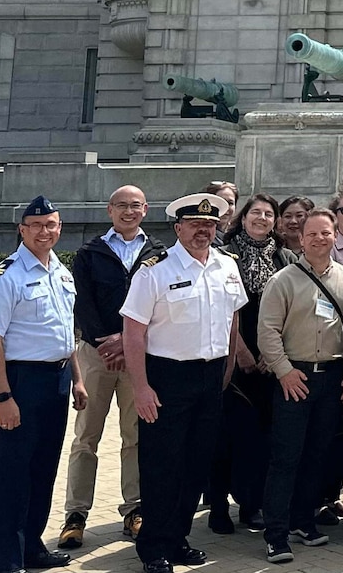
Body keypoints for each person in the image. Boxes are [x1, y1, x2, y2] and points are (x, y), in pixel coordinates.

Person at [121, 193, 249, 573]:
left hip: (210, 377)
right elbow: (132, 333)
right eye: (195, 225)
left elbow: (233, 319)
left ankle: (177, 539)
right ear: (179, 228)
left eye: (209, 226)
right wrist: (141, 388)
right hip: (166, 378)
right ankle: (154, 548)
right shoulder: (155, 269)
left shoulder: (227, 265)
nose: (203, 232)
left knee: (196, 465)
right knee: (162, 466)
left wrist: (226, 369)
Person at [0, 195, 86, 573]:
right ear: (22, 230)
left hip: (56, 379)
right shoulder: (6, 276)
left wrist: (76, 378)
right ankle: (3, 560)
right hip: (20, 382)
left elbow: (64, 330)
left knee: (43, 469)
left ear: (59, 228)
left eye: (51, 225)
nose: (45, 231)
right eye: (36, 226)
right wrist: (3, 396)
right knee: (10, 474)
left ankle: (30, 548)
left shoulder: (61, 271)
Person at [60, 185, 164, 550]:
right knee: (86, 436)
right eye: (121, 205)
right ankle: (75, 514)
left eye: (135, 205)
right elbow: (82, 302)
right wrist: (110, 341)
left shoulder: (159, 253)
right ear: (109, 210)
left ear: (146, 210)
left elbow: (161, 304)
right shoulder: (90, 252)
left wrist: (128, 341)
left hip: (139, 355)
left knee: (135, 435)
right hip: (96, 353)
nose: (128, 211)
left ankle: (134, 509)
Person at [256, 208, 343, 563]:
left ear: (336, 237)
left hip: (331, 378)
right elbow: (267, 331)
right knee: (286, 457)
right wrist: (284, 371)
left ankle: (304, 520)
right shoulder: (283, 280)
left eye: (326, 233)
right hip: (294, 377)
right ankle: (276, 533)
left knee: (317, 454)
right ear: (300, 239)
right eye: (312, 233)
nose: (319, 239)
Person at [210, 194, 296, 534]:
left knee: (262, 438)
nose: (262, 218)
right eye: (255, 212)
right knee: (226, 437)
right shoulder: (224, 257)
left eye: (268, 213)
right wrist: (242, 352)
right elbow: (222, 309)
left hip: (272, 361)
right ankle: (218, 506)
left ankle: (252, 504)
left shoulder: (285, 257)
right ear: (242, 218)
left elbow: (292, 310)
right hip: (234, 359)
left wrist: (271, 355)